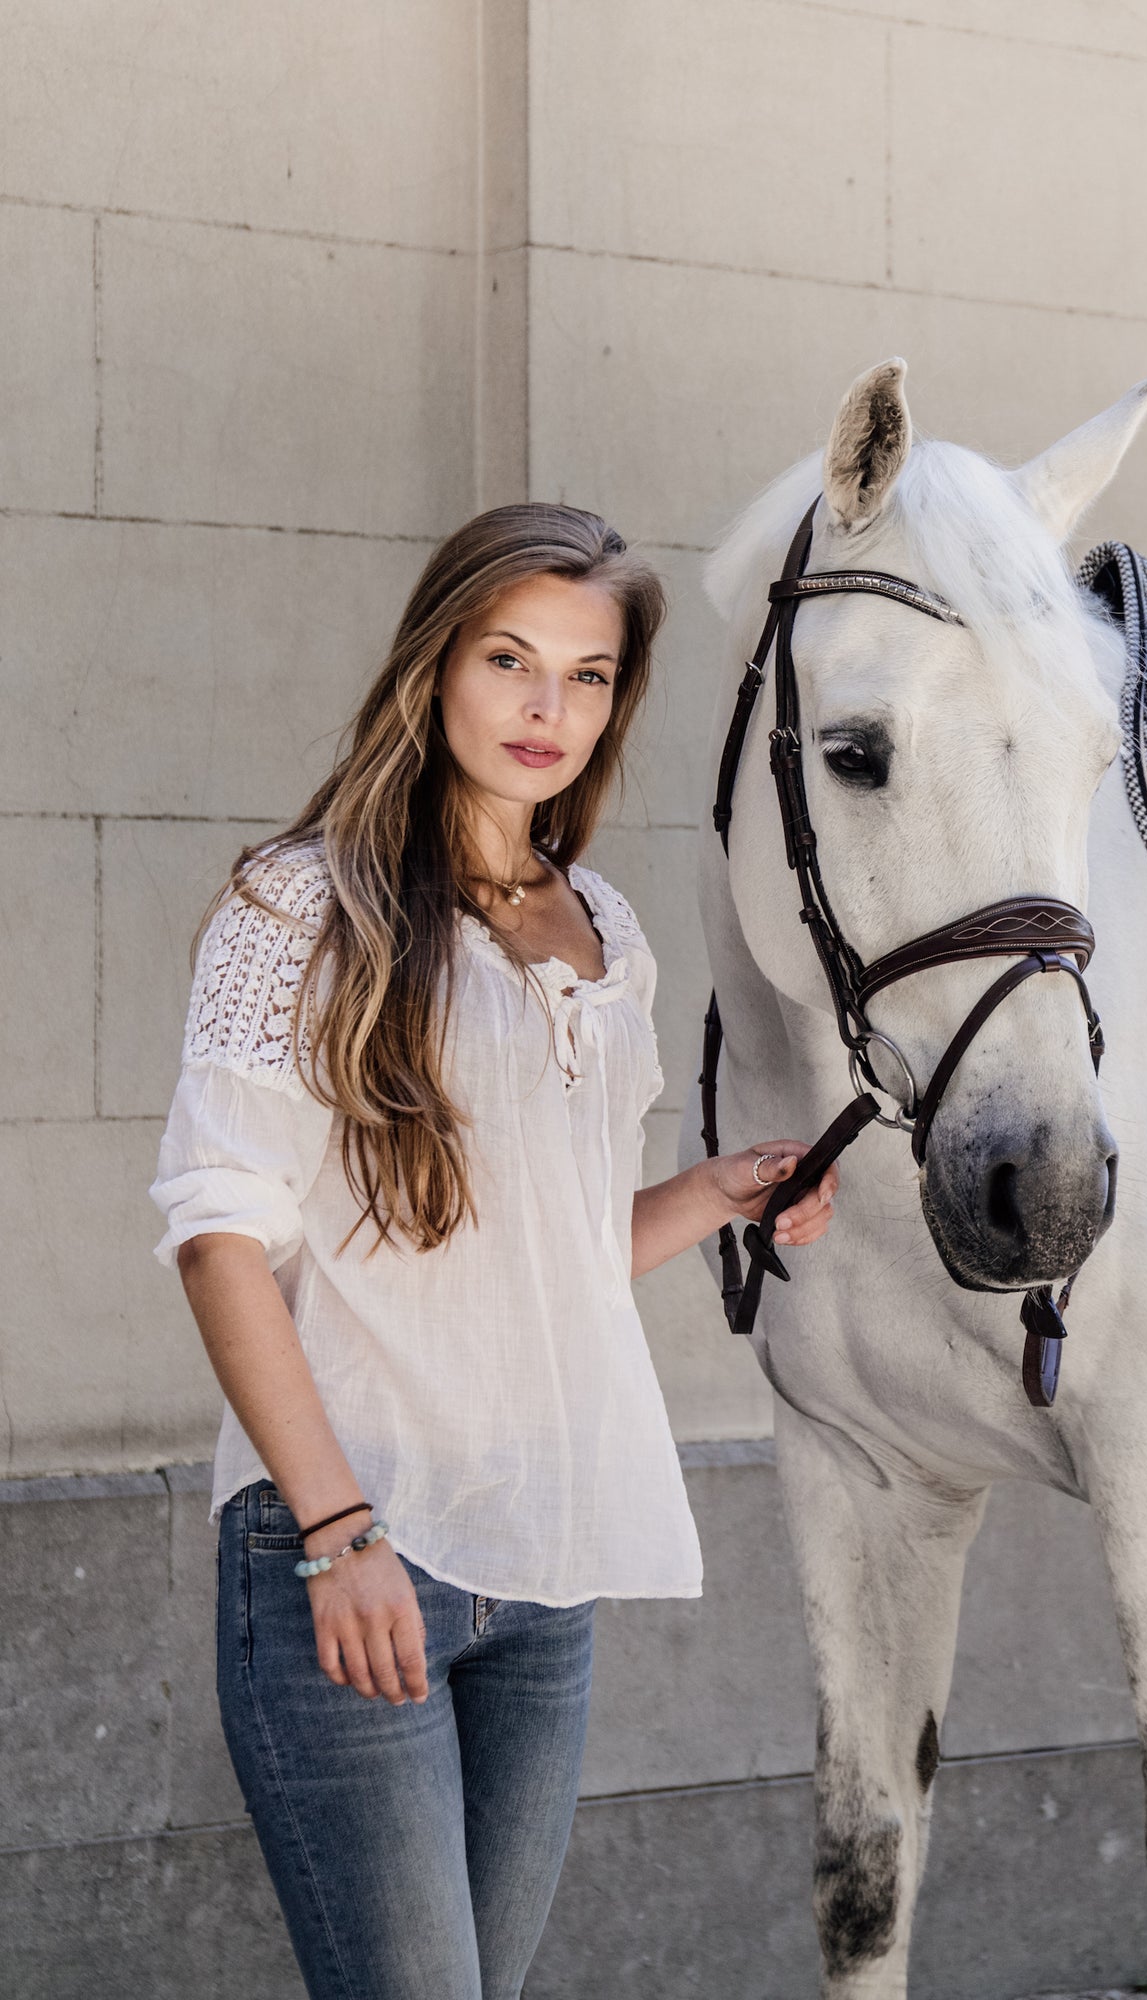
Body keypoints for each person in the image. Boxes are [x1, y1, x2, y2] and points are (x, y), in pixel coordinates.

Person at [150, 503, 836, 1999]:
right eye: (511, 658)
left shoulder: (604, 929)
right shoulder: (302, 905)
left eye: (588, 676)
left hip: (540, 1567)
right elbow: (219, 1241)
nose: (549, 708)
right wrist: (339, 1537)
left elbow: (555, 1252)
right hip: (349, 1540)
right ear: (435, 664)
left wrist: (716, 1191)